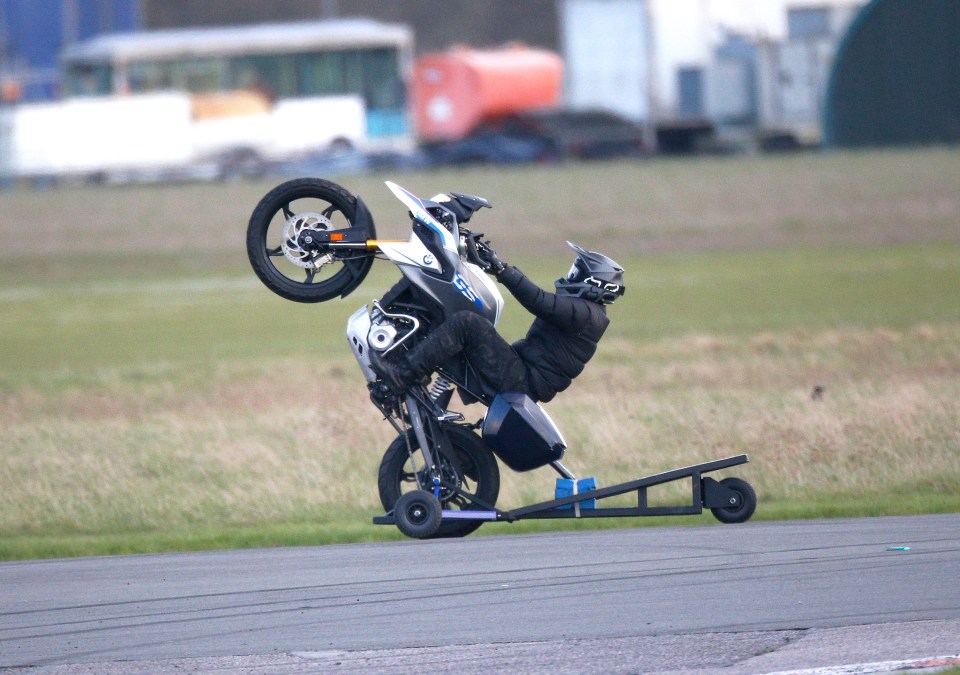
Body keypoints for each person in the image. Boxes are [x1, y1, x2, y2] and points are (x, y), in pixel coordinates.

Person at [369, 240, 625, 403]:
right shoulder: (589, 314)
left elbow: (538, 301)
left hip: (522, 381)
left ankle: (401, 376)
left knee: (467, 323)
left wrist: (501, 268)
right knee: (461, 328)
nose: (571, 276)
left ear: (595, 284)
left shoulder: (585, 315)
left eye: (577, 273)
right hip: (523, 374)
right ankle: (418, 384)